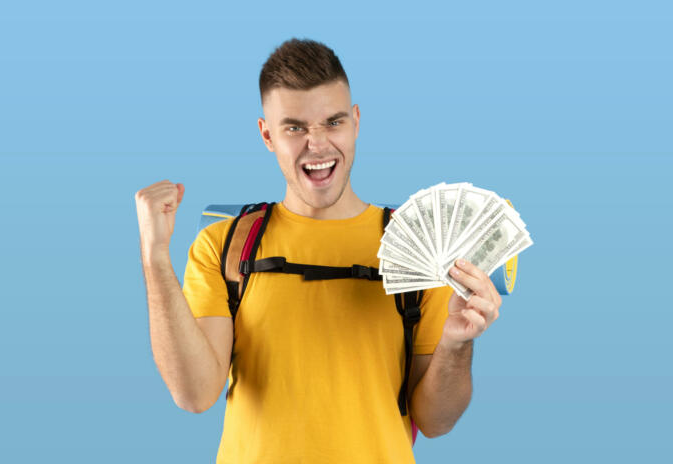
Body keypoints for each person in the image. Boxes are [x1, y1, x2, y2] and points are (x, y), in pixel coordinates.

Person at [134, 37, 502, 463]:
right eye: (295, 127)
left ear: (357, 121)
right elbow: (195, 393)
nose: (318, 144)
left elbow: (436, 421)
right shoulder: (225, 245)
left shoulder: (415, 246)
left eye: (333, 122)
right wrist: (155, 257)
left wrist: (457, 343)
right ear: (266, 135)